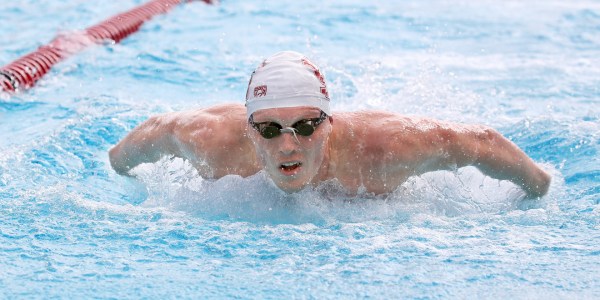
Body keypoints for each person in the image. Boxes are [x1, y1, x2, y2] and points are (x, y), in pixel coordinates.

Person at [109, 51, 551, 198]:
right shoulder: (211, 141)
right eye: (268, 129)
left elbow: (477, 142)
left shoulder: (382, 152)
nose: (287, 145)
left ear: (329, 123)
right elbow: (156, 131)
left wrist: (539, 188)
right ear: (247, 129)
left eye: (304, 126)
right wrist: (118, 172)